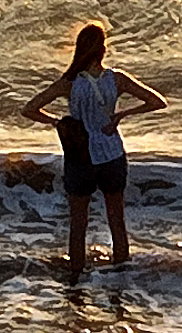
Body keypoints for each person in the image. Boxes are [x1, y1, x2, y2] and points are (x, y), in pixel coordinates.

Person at [20, 21, 167, 281]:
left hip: (80, 156)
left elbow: (29, 109)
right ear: (103, 50)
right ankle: (120, 278)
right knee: (116, 221)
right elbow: (157, 102)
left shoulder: (69, 83)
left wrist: (57, 121)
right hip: (112, 153)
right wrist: (121, 114)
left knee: (78, 224)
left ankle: (75, 280)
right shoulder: (117, 79)